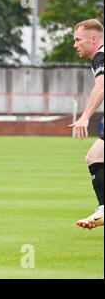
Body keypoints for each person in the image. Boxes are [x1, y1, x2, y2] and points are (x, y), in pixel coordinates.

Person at [70, 19, 104, 229]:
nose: (75, 44)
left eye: (78, 39)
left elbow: (101, 87)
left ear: (93, 39)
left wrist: (84, 117)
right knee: (95, 156)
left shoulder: (101, 55)